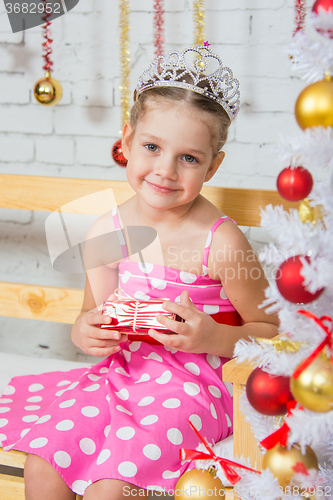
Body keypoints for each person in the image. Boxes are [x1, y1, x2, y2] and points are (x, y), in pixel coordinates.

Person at [0, 45, 278, 500]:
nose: (165, 171)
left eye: (189, 158)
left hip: (199, 384)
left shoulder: (221, 243)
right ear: (127, 141)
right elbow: (91, 315)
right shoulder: (107, 230)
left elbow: (274, 333)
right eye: (152, 147)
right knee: (44, 462)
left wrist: (211, 337)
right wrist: (85, 332)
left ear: (214, 165)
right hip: (122, 374)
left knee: (111, 485)